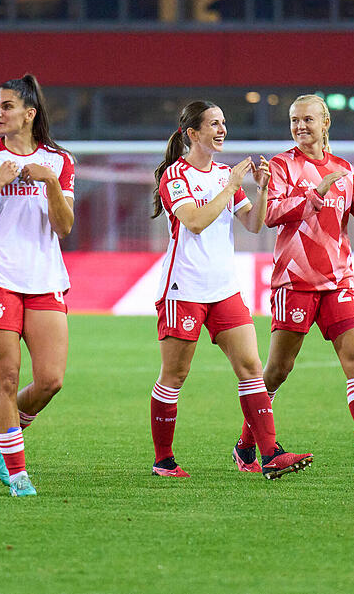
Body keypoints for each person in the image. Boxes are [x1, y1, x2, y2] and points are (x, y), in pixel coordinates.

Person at [233, 94, 354, 478]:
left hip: (338, 281)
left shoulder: (344, 169)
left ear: (325, 123)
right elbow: (271, 213)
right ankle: (247, 443)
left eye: (307, 120)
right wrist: (314, 196)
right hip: (294, 281)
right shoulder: (281, 166)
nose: (299, 126)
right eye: (294, 120)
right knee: (279, 369)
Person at [148, 100, 313, 480]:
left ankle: (269, 455)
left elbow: (254, 224)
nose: (222, 130)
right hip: (184, 288)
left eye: (224, 122)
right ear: (193, 133)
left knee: (252, 368)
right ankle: (164, 460)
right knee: (174, 376)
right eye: (213, 124)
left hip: (224, 289)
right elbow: (194, 221)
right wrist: (232, 186)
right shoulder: (176, 176)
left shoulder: (225, 174)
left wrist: (263, 189)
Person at [0, 74, 74, 497]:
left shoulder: (59, 163)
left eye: (6, 106)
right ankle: (18, 472)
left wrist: (49, 183)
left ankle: (2, 434)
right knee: (6, 381)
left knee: (50, 380)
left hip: (44, 278)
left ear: (30, 113)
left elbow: (64, 227)